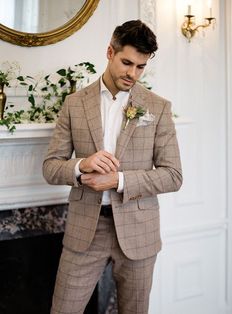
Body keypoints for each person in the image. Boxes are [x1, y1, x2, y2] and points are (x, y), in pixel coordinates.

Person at [43, 19, 182, 314]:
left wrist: (118, 180)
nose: (133, 73)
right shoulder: (74, 104)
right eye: (127, 62)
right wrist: (81, 165)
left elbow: (173, 176)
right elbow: (51, 167)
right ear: (110, 52)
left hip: (138, 234)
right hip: (85, 232)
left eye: (141, 66)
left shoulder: (158, 108)